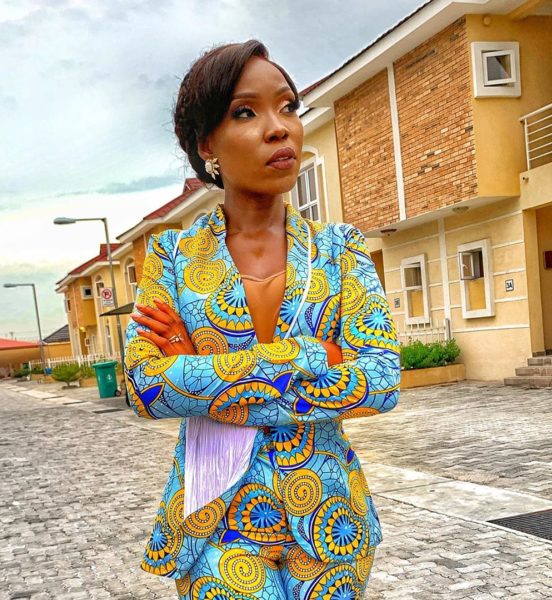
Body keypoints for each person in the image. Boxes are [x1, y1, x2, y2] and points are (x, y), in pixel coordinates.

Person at [124, 40, 400, 600]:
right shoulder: (172, 257)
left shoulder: (340, 249)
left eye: (288, 107)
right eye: (246, 112)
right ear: (207, 144)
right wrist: (315, 356)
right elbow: (146, 387)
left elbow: (381, 380)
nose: (279, 129)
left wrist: (201, 373)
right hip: (217, 517)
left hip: (330, 519)